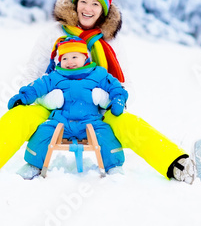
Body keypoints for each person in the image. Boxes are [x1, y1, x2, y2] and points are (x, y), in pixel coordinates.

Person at [0, 0, 195, 184]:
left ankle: (178, 165)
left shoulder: (111, 43)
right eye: (83, 1)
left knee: (131, 124)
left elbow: (125, 86)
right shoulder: (54, 34)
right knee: (20, 115)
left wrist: (106, 99)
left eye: (95, 4)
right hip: (54, 107)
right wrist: (46, 99)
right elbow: (31, 75)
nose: (88, 8)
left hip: (99, 112)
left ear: (103, 11)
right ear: (75, 4)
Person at [7, 36, 128, 173]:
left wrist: (118, 98)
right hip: (61, 121)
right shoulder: (55, 75)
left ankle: (114, 166)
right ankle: (33, 165)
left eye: (74, 57)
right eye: (64, 58)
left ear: (85, 57)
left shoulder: (98, 74)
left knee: (106, 134)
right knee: (42, 133)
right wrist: (24, 97)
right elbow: (37, 87)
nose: (69, 62)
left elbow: (115, 87)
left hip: (91, 121)